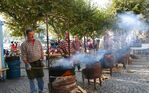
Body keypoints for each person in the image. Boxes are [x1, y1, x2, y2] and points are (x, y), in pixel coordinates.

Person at [21, 29, 45, 93]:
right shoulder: (24, 44)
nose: (32, 36)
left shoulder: (38, 42)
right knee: (31, 79)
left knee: (40, 78)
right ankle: (33, 91)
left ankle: (41, 90)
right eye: (30, 34)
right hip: (29, 63)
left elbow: (41, 51)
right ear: (27, 35)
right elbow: (24, 56)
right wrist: (27, 64)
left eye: (33, 34)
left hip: (38, 62)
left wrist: (43, 60)